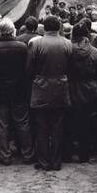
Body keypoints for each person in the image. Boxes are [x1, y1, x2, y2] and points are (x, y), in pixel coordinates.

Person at [27, 15, 73, 171]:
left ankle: (44, 161)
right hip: (61, 88)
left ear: (44, 27)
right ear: (59, 26)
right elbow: (71, 67)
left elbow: (29, 68)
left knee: (41, 127)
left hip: (41, 88)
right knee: (57, 127)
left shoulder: (36, 43)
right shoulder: (67, 44)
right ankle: (56, 161)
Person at [0, 18, 34, 165]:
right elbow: (28, 69)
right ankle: (27, 154)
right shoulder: (22, 47)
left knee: (2, 124)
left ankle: (5, 155)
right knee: (22, 122)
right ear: (13, 30)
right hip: (19, 89)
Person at [64, 23, 97, 163]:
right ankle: (84, 155)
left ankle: (67, 154)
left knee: (68, 123)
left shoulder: (68, 50)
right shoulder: (94, 51)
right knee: (85, 123)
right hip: (88, 90)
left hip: (70, 88)